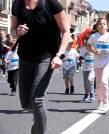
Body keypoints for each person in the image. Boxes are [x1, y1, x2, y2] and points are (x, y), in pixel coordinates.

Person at [11, 0, 70, 133]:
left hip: (47, 56)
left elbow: (66, 31)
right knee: (26, 103)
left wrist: (59, 55)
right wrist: (17, 32)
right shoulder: (17, 4)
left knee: (37, 99)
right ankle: (38, 122)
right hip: (25, 57)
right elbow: (12, 31)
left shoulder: (51, 3)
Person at [87, 17, 109, 111]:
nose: (102, 25)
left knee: (104, 81)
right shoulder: (94, 36)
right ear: (97, 26)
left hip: (107, 60)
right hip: (97, 62)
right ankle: (100, 101)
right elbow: (88, 46)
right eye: (100, 24)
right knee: (99, 83)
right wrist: (94, 51)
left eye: (104, 24)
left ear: (107, 26)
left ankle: (106, 102)